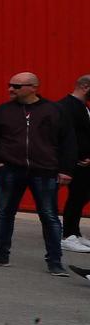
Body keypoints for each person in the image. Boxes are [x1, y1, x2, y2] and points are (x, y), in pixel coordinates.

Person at [0, 71, 77, 275]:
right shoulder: (3, 111)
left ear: (33, 87)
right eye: (9, 85)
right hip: (10, 170)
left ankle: (55, 261)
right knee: (5, 212)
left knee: (49, 216)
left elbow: (68, 141)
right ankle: (0, 255)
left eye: (16, 86)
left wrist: (66, 170)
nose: (10, 89)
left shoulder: (54, 110)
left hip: (45, 171)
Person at [61, 75, 90, 252]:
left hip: (85, 162)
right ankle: (67, 235)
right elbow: (68, 136)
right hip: (76, 162)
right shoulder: (67, 106)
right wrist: (78, 156)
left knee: (82, 196)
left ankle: (76, 233)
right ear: (85, 87)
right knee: (76, 197)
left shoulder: (83, 107)